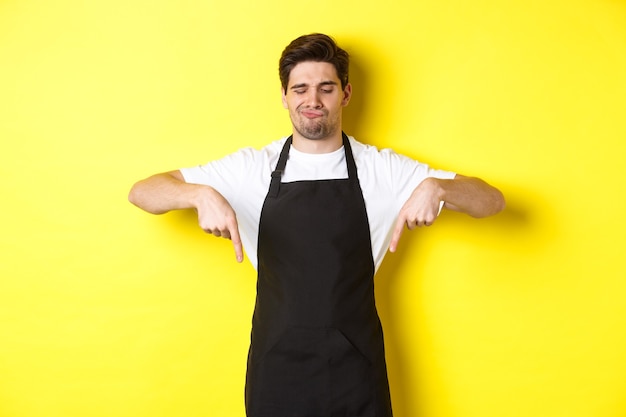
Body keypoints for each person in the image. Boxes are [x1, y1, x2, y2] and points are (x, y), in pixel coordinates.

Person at [129, 33, 505, 417]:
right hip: (276, 368)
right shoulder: (250, 169)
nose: (312, 101)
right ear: (284, 96)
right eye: (301, 89)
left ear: (345, 94)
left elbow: (492, 201)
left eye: (326, 88)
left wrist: (437, 187)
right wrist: (198, 195)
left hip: (356, 369)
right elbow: (143, 191)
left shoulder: (382, 169)